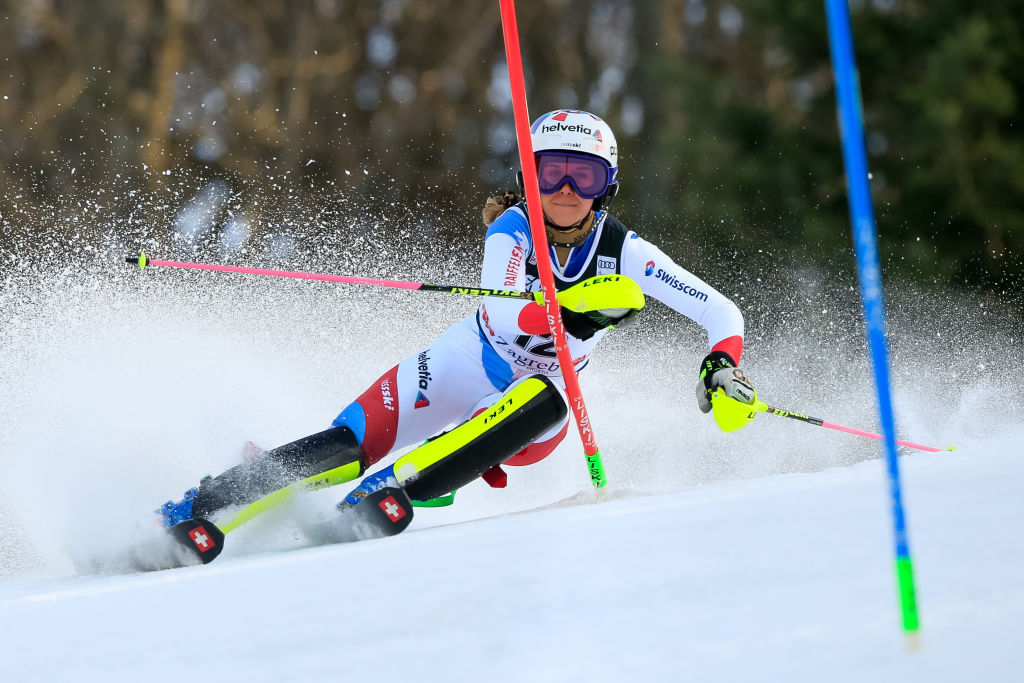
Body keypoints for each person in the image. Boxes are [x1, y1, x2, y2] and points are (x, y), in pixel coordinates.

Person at [158, 109, 756, 542]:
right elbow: (500, 312)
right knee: (346, 446)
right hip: (463, 362)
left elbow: (719, 310)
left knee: (545, 400)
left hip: (535, 407)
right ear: (528, 178)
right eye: (552, 175)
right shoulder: (511, 230)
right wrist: (569, 312)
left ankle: (393, 488)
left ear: (608, 186)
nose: (568, 191)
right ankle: (201, 504)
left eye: (586, 177)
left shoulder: (625, 250)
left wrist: (721, 363)